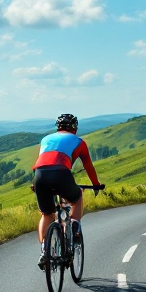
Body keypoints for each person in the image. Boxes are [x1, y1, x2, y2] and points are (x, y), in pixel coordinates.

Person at [32, 113, 103, 268]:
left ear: (58, 127)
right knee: (77, 197)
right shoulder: (79, 142)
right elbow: (88, 166)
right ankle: (75, 229)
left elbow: (42, 162)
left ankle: (45, 251)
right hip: (61, 173)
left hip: (39, 175)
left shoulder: (45, 139)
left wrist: (35, 184)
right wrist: (96, 184)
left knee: (47, 214)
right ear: (75, 128)